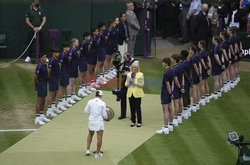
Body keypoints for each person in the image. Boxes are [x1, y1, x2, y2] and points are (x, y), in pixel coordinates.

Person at [84, 90, 108, 158]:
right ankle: (97, 154)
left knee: (90, 135)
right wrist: (107, 118)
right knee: (99, 137)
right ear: (101, 96)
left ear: (96, 95)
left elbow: (86, 110)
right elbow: (105, 116)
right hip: (99, 122)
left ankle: (88, 150)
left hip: (91, 121)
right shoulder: (103, 103)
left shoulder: (90, 101)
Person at [156, 57, 174, 134]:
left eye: (163, 62)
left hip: (165, 93)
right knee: (170, 108)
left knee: (165, 110)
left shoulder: (166, 73)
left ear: (166, 63)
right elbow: (172, 83)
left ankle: (165, 128)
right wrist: (172, 92)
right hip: (169, 92)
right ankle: (170, 125)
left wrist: (170, 93)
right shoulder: (171, 71)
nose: (162, 64)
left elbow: (167, 84)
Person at [125, 62, 144, 127]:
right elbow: (126, 84)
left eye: (135, 67)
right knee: (132, 108)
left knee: (138, 108)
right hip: (130, 94)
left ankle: (139, 122)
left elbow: (142, 85)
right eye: (132, 67)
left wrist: (134, 82)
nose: (133, 68)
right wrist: (128, 82)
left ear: (137, 68)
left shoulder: (140, 74)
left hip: (138, 94)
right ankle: (133, 121)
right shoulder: (128, 74)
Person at [118, 53, 136, 120]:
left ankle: (133, 115)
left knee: (131, 99)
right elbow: (120, 70)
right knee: (123, 97)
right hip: (124, 82)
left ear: (129, 57)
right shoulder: (124, 63)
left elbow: (135, 72)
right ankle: (123, 114)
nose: (124, 59)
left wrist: (127, 73)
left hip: (131, 83)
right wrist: (121, 71)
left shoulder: (135, 62)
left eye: (125, 58)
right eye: (124, 58)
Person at [34, 53, 50, 125]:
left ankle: (42, 115)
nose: (45, 58)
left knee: (43, 100)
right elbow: (35, 77)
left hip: (44, 84)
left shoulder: (45, 65)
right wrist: (36, 85)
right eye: (44, 57)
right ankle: (37, 118)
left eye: (46, 57)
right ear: (40, 58)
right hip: (40, 84)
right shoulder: (39, 66)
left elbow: (47, 75)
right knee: (39, 101)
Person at [46, 48, 63, 118]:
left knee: (55, 93)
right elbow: (49, 70)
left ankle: (53, 108)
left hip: (56, 78)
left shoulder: (56, 59)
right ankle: (49, 111)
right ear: (53, 53)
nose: (58, 54)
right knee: (51, 94)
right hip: (52, 79)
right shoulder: (51, 60)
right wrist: (49, 78)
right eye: (57, 53)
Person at [58, 42, 72, 110]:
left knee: (65, 86)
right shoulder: (62, 55)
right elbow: (60, 65)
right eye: (68, 47)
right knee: (62, 88)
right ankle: (60, 104)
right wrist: (60, 73)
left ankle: (63, 101)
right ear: (64, 48)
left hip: (66, 72)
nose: (69, 48)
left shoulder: (66, 54)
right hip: (63, 72)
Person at [67, 38, 81, 105]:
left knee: (74, 82)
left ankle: (73, 95)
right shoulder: (71, 50)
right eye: (77, 42)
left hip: (75, 68)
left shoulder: (75, 50)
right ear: (73, 43)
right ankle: (69, 98)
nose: (78, 43)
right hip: (71, 68)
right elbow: (68, 60)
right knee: (71, 83)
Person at [171, 54, 184, 126]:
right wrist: (182, 87)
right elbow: (182, 78)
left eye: (172, 59)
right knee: (180, 102)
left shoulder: (174, 69)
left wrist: (178, 88)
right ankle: (179, 117)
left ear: (175, 60)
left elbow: (174, 81)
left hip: (176, 88)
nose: (171, 60)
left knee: (176, 104)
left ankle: (175, 119)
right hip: (180, 87)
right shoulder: (181, 67)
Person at [78, 32, 91, 97]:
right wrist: (80, 61)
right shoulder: (83, 43)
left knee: (85, 73)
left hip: (85, 59)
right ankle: (80, 90)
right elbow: (79, 53)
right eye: (88, 36)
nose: (90, 37)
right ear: (85, 37)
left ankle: (83, 88)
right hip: (82, 60)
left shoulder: (86, 43)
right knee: (81, 74)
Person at [180, 50, 192, 116]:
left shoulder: (184, 63)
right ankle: (187, 108)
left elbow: (185, 73)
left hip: (185, 81)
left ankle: (186, 109)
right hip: (186, 81)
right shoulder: (186, 62)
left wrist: (189, 81)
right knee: (186, 94)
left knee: (185, 94)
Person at [189, 46, 201, 111]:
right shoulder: (197, 56)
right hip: (197, 75)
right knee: (197, 89)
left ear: (192, 50)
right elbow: (199, 65)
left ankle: (194, 105)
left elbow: (195, 67)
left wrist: (197, 73)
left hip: (194, 75)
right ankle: (198, 103)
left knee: (194, 91)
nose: (189, 50)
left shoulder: (193, 58)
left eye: (190, 49)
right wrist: (199, 74)